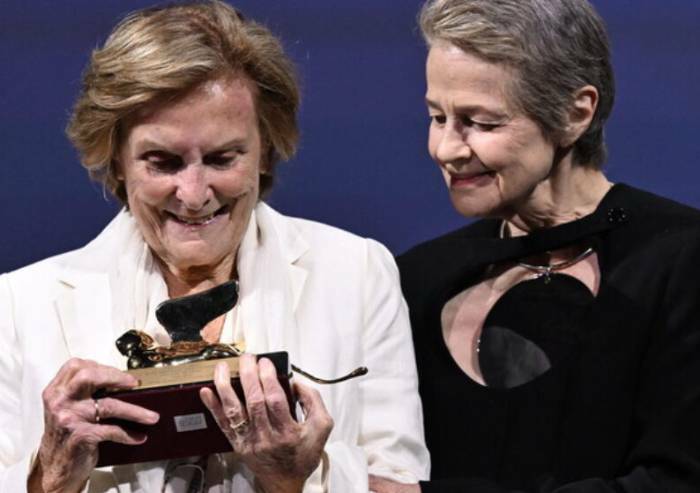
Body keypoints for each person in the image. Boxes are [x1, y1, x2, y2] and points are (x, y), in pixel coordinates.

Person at [0, 2, 430, 491]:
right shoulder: (18, 306)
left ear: (266, 149)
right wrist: (51, 476)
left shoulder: (357, 274)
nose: (194, 194)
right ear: (116, 159)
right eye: (162, 162)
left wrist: (291, 482)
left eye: (223, 158)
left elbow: (397, 481)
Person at [370, 0, 700, 492]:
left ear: (574, 113)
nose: (446, 149)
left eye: (482, 123)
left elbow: (677, 481)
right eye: (438, 117)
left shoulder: (680, 260)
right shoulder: (417, 279)